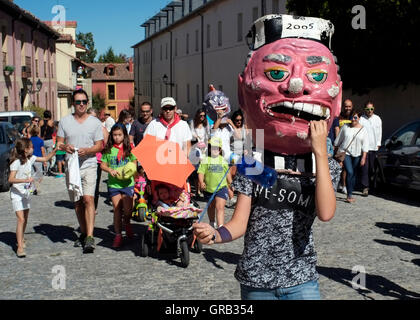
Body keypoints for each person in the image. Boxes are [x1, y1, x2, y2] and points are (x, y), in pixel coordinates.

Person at [194, 14, 342, 300]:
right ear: (243, 90)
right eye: (276, 73)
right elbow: (239, 223)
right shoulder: (253, 162)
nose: (297, 86)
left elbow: (325, 213)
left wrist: (320, 153)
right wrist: (215, 234)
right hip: (256, 281)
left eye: (317, 76)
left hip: (301, 280)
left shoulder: (323, 167)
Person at [56, 89, 104, 254]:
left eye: (84, 101)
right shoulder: (64, 122)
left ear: (87, 102)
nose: (82, 104)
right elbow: (59, 143)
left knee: (88, 199)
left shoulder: (95, 122)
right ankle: (83, 233)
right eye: (78, 102)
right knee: (77, 201)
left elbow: (100, 145)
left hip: (90, 164)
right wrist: (65, 147)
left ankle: (90, 236)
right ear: (73, 104)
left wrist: (89, 150)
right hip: (72, 165)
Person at [8, 138, 57, 257]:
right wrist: (25, 180)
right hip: (16, 194)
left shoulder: (30, 159)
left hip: (26, 193)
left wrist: (56, 149)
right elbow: (10, 179)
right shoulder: (16, 163)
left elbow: (45, 158)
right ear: (26, 149)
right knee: (21, 219)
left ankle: (21, 237)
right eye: (31, 147)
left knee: (25, 218)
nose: (33, 149)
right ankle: (19, 247)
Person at [101, 123, 137, 248]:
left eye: (119, 135)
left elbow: (134, 162)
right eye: (114, 135)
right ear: (111, 135)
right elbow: (103, 164)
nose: (117, 137)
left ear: (124, 135)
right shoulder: (109, 149)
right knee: (117, 209)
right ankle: (118, 235)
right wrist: (110, 170)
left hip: (128, 183)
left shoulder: (129, 148)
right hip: (114, 184)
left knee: (128, 209)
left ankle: (126, 222)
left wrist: (132, 169)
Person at [334, 110, 369, 203]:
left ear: (359, 118)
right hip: (346, 153)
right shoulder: (345, 127)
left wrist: (363, 158)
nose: (353, 119)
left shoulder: (363, 129)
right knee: (349, 172)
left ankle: (350, 192)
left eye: (355, 117)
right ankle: (349, 195)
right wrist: (337, 155)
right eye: (352, 117)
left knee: (353, 174)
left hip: (357, 154)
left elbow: (365, 145)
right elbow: (338, 141)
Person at [197, 137, 232, 228]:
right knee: (211, 206)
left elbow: (227, 174)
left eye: (217, 148)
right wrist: (201, 182)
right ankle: (212, 222)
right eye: (213, 147)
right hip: (209, 188)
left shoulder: (223, 161)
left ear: (220, 150)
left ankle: (221, 226)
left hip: (221, 188)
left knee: (220, 207)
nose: (215, 150)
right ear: (209, 148)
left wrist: (231, 185)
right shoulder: (206, 160)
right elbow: (201, 172)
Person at [87, 108, 109, 213]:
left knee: (94, 185)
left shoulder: (102, 129)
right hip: (84, 159)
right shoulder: (83, 128)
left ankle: (93, 207)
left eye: (94, 117)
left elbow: (108, 144)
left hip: (97, 160)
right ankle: (86, 205)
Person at [359, 101, 382, 196]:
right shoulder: (361, 119)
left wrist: (378, 143)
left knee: (372, 168)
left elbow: (379, 132)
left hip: (374, 147)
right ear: (365, 109)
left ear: (374, 109)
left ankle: (372, 185)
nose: (369, 111)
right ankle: (365, 187)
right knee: (365, 167)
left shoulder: (377, 119)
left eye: (371, 109)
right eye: (368, 109)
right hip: (364, 147)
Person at [189, 108, 211, 197]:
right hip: (195, 147)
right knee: (196, 169)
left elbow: (208, 135)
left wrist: (205, 145)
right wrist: (197, 139)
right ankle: (197, 190)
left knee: (203, 169)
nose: (202, 117)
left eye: (204, 116)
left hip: (204, 149)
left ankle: (203, 188)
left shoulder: (206, 125)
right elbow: (191, 135)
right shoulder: (193, 123)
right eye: (200, 115)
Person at [29, 126, 45, 195]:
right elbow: (42, 150)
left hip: (30, 158)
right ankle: (37, 188)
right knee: (39, 175)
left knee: (31, 174)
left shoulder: (29, 140)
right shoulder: (40, 140)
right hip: (39, 159)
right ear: (38, 132)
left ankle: (31, 189)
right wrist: (44, 160)